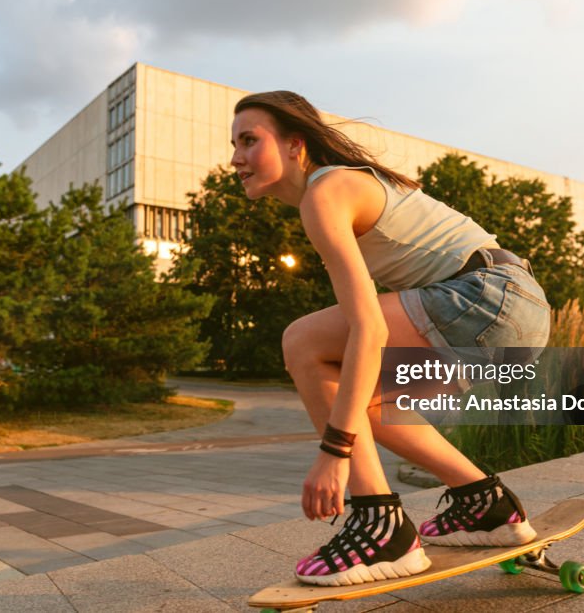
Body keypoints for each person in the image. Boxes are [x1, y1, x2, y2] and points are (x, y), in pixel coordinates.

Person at [229, 91, 551, 587]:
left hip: (488, 299)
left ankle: (380, 526)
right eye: (234, 145)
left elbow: (370, 329)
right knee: (360, 404)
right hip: (511, 310)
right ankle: (485, 504)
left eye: (249, 140)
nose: (235, 158)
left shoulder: (326, 192)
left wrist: (334, 454)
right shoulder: (335, 189)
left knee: (302, 342)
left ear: (295, 144)